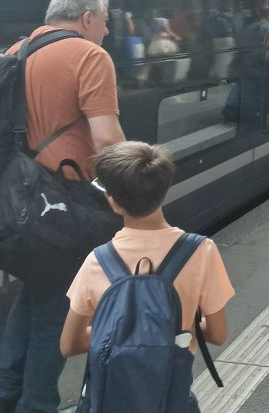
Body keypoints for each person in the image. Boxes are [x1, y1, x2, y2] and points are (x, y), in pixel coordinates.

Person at [0, 0, 125, 413]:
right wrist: (133, 188)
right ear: (87, 18)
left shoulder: (17, 51)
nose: (106, 30)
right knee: (59, 308)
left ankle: (3, 395)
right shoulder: (89, 55)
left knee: (34, 295)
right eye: (105, 21)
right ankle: (36, 404)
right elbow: (106, 139)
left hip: (19, 199)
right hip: (64, 201)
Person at [59, 141, 234, 411]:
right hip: (171, 400)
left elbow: (69, 345)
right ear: (164, 191)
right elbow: (218, 334)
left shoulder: (97, 261)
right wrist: (169, 330)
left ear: (113, 202)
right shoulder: (202, 251)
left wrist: (124, 334)